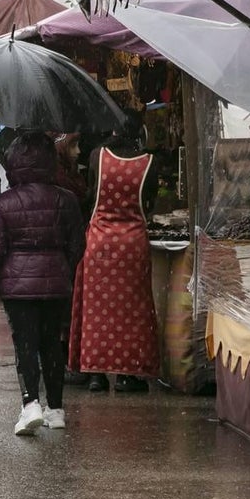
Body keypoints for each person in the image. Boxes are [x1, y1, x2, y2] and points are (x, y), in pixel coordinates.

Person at [0, 133, 85, 435]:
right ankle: (56, 409)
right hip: (56, 282)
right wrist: (64, 269)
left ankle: (30, 404)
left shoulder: (4, 203)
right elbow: (77, 244)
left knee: (25, 344)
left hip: (17, 286)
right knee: (52, 343)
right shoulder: (66, 199)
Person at [69, 115, 160, 394]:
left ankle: (95, 373)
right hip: (133, 245)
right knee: (132, 311)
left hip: (100, 243)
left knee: (97, 311)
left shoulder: (98, 156)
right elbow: (150, 202)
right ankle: (127, 374)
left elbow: (90, 192)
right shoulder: (149, 162)